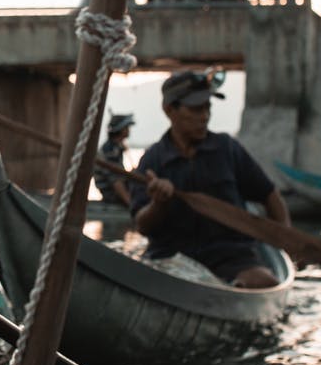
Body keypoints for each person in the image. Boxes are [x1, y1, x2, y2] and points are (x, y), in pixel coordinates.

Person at [127, 70, 290, 288]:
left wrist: (286, 243)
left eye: (207, 108)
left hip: (232, 258)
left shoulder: (227, 149)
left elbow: (269, 195)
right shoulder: (152, 161)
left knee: (264, 281)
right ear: (169, 110)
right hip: (171, 259)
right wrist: (159, 203)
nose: (204, 116)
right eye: (195, 109)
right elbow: (143, 225)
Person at [93, 113, 135, 207]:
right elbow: (116, 181)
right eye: (127, 127)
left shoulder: (116, 147)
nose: (129, 130)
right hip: (111, 194)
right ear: (121, 130)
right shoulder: (110, 151)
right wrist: (131, 203)